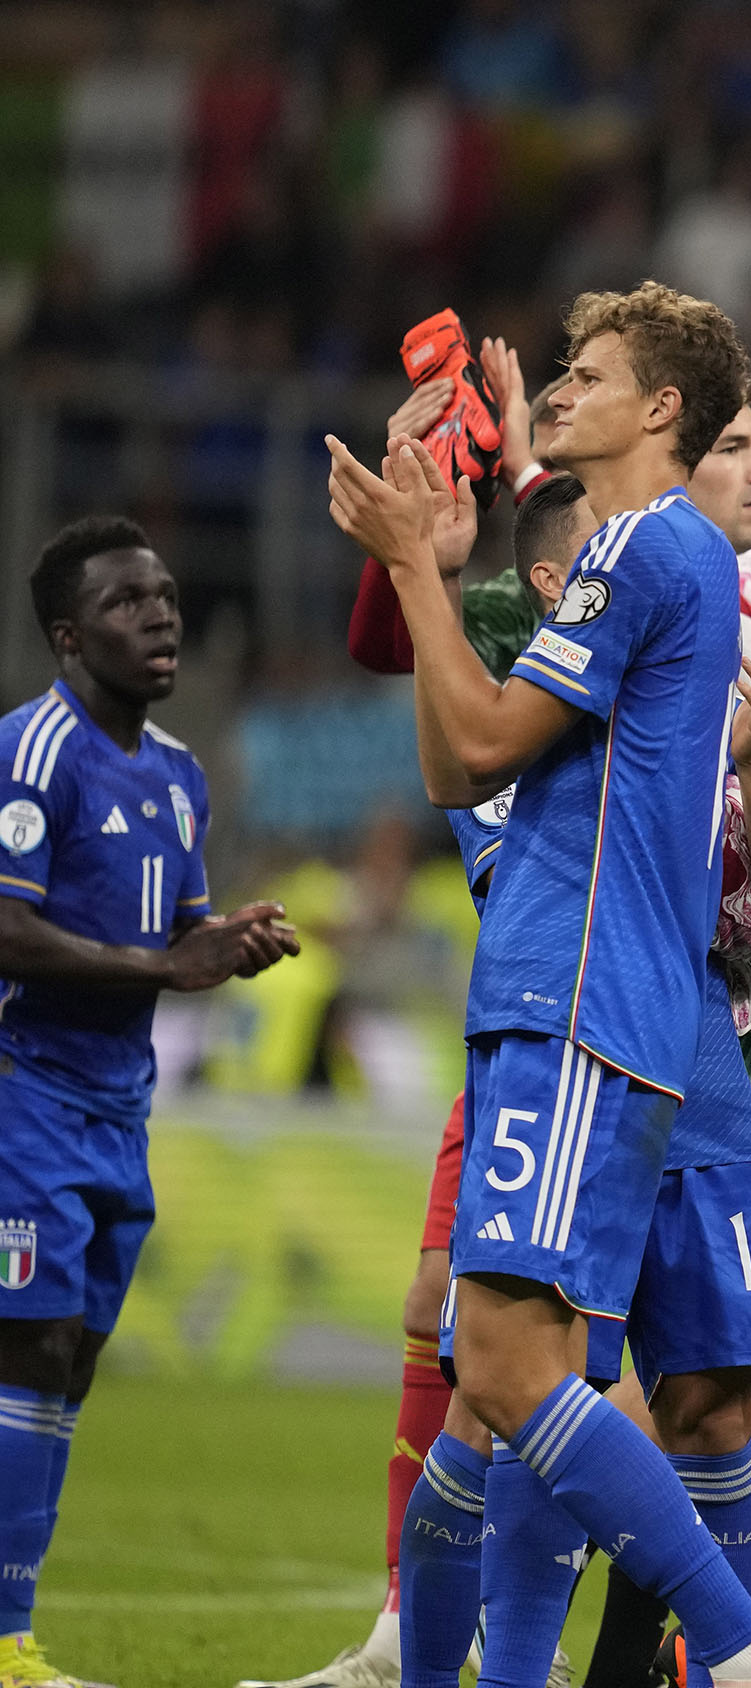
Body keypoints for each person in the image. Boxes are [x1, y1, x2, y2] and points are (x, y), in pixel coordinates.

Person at [327, 281, 751, 1688]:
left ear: (660, 408)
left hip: (585, 985)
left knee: (506, 1370)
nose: (557, 388)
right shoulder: (633, 556)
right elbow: (450, 760)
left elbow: (481, 743)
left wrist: (422, 567)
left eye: (588, 373)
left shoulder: (646, 551)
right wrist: (429, 568)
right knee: (499, 1372)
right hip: (574, 986)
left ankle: (744, 1656)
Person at [0, 519, 299, 1688]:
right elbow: (8, 927)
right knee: (29, 1347)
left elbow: (173, 928)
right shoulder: (34, 752)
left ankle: (13, 1623)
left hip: (117, 1114)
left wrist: (215, 940)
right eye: (128, 604)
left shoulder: (178, 773)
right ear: (71, 637)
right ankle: (8, 1639)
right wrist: (166, 971)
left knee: (68, 1360)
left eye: (168, 595)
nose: (161, 615)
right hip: (26, 1094)